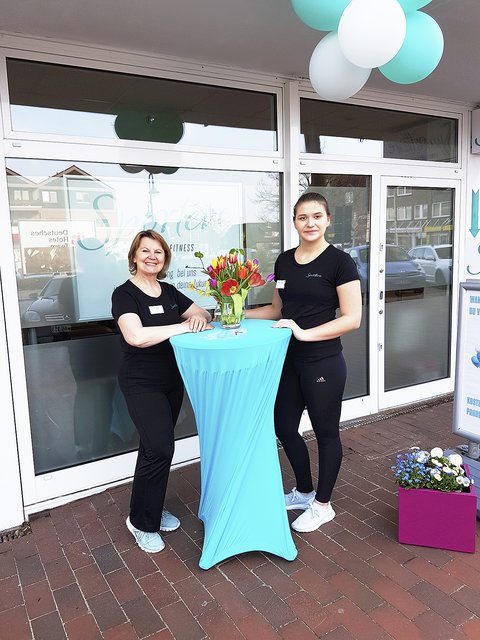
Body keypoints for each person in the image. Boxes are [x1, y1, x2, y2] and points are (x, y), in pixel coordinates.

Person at [246, 192, 362, 532]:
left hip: (323, 361)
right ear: (294, 221)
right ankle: (303, 490)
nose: (309, 223)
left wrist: (304, 333)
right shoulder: (283, 261)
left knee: (326, 433)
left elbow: (352, 317)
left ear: (327, 220)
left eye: (316, 216)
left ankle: (323, 505)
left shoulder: (340, 262)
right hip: (288, 361)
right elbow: (276, 311)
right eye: (302, 217)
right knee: (283, 427)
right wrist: (234, 312)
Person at [111, 229, 212, 553]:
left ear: (165, 258)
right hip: (141, 382)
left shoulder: (168, 291)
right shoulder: (124, 294)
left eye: (158, 252)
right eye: (145, 251)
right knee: (160, 448)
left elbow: (203, 313)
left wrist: (196, 318)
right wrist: (181, 327)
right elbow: (136, 336)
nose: (152, 256)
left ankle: (150, 508)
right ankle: (141, 522)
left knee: (153, 449)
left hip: (171, 380)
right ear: (134, 256)